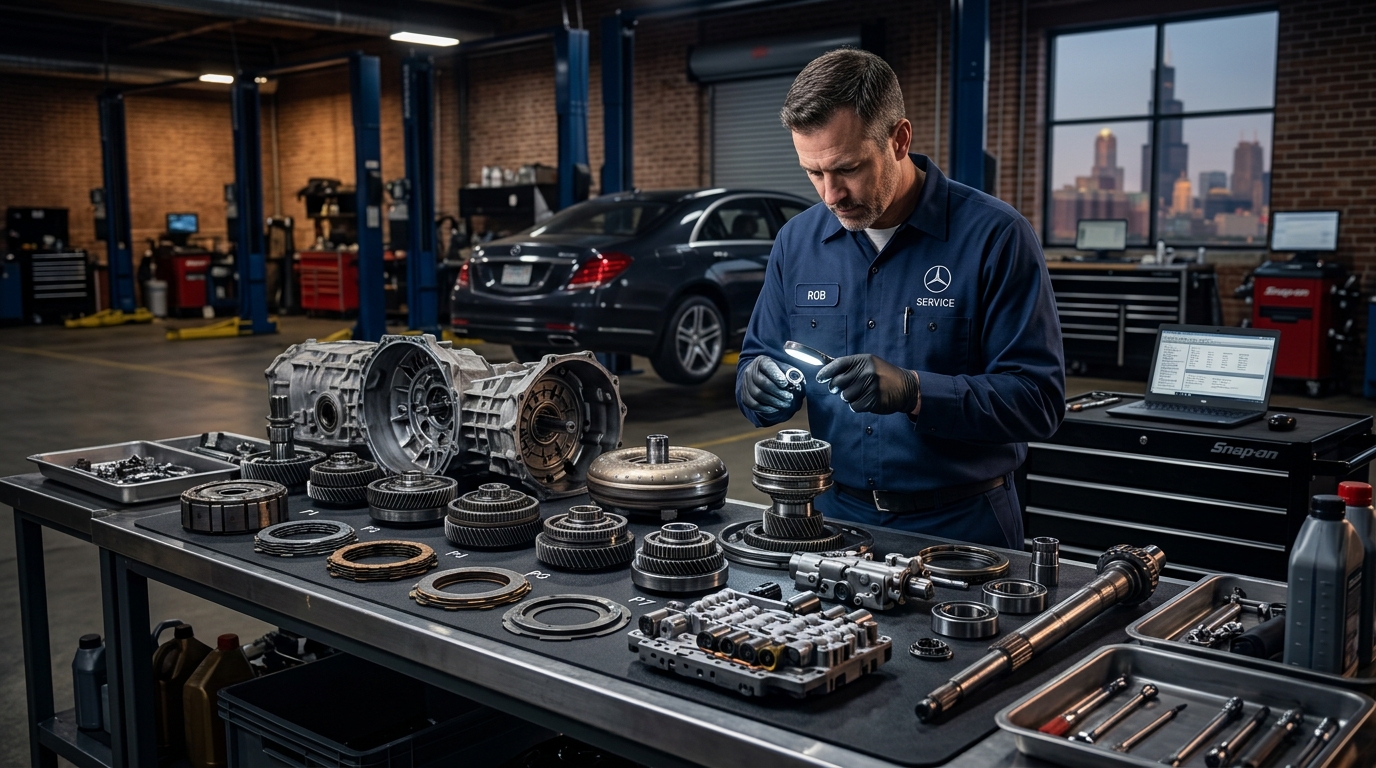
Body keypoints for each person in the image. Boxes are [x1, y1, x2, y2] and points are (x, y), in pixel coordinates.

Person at [734, 48, 1064, 549]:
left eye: (847, 168)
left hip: (962, 527)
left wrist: (914, 392)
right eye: (813, 173)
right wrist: (754, 386)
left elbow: (1038, 402)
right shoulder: (797, 243)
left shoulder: (996, 237)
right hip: (829, 521)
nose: (830, 195)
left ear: (899, 139)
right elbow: (760, 356)